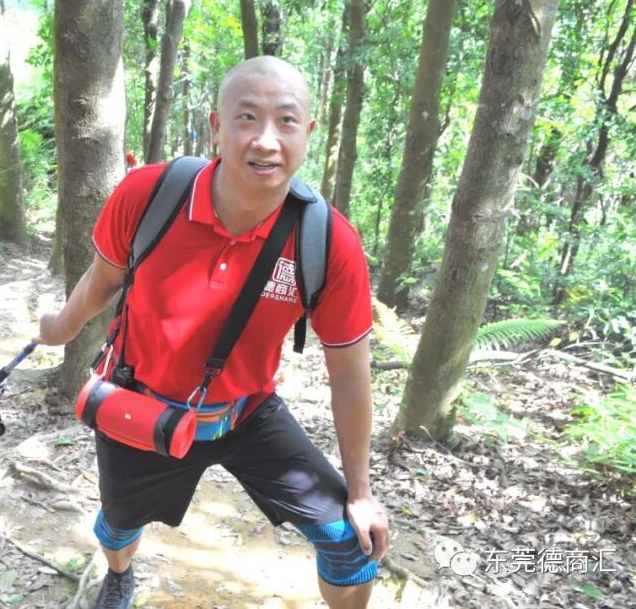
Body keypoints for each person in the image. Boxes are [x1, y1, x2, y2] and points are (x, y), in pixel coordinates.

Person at [35, 56, 390, 609]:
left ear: (309, 131)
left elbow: (349, 374)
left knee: (352, 546)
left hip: (247, 413)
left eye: (286, 121)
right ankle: (120, 575)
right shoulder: (150, 194)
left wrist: (361, 493)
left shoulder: (327, 240)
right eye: (247, 117)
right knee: (120, 524)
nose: (266, 140)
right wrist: (60, 328)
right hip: (140, 404)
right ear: (216, 126)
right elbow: (101, 281)